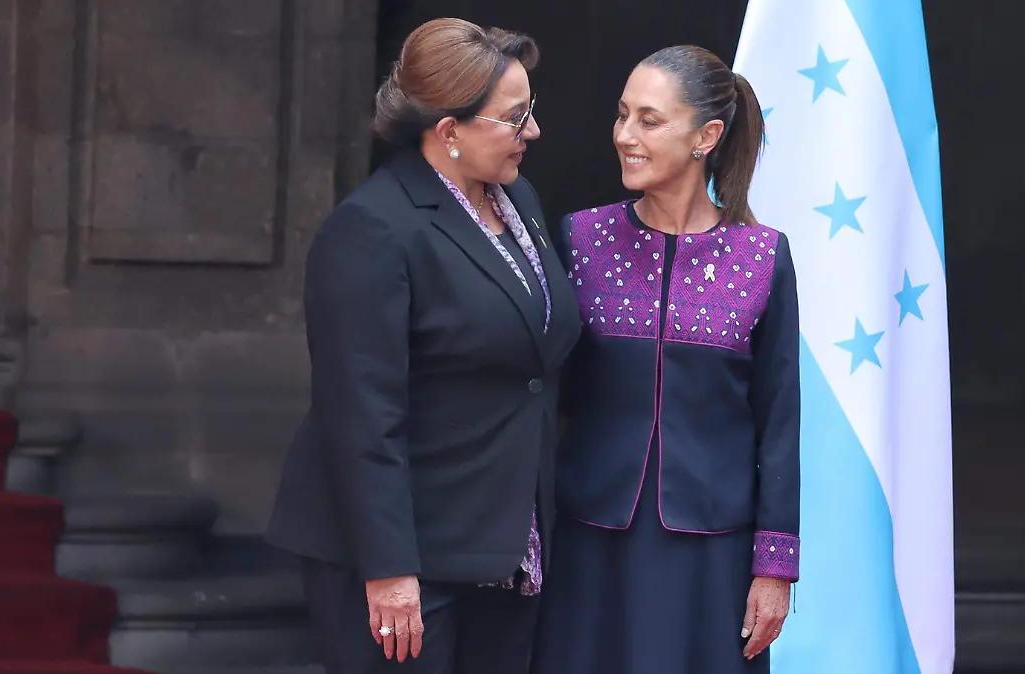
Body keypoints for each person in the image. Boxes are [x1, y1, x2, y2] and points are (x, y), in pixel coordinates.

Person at [266, 18, 581, 674]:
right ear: (449, 133)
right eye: (514, 116)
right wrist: (388, 570)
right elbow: (360, 416)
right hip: (400, 558)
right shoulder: (372, 229)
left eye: (532, 109)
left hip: (503, 545)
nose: (534, 132)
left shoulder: (519, 200)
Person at [532, 45, 801, 674]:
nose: (625, 135)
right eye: (622, 115)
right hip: (589, 536)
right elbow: (546, 392)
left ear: (706, 136)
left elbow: (780, 418)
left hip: (714, 552)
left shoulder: (762, 257)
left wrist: (774, 567)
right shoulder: (581, 237)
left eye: (649, 120)